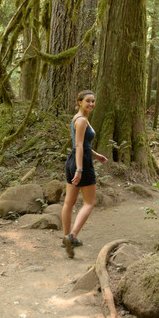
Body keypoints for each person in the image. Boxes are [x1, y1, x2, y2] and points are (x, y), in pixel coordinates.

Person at [61, 89, 108, 258]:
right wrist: (80, 169)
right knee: (89, 203)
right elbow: (79, 146)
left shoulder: (80, 119)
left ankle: (66, 237)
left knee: (69, 202)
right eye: (88, 101)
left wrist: (96, 155)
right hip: (81, 163)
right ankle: (72, 236)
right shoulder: (81, 121)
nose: (91, 104)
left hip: (73, 160)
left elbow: (81, 143)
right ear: (79, 102)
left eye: (93, 101)